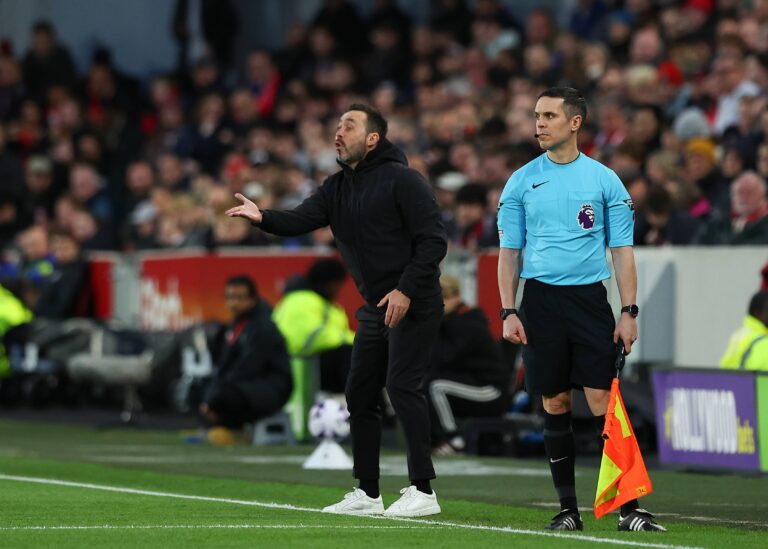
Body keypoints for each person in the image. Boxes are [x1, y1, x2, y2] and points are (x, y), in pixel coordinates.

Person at [226, 103, 447, 517]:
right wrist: (262, 218)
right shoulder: (337, 186)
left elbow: (434, 241)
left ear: (372, 138)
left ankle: (423, 491)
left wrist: (405, 290)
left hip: (413, 301)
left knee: (402, 387)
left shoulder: (404, 180)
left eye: (349, 126)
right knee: (359, 393)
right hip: (373, 307)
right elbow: (300, 219)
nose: (338, 133)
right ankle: (367, 492)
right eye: (337, 126)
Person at [496, 87, 665, 532]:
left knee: (602, 400)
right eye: (536, 115)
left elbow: (622, 251)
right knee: (553, 400)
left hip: (590, 300)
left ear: (575, 123)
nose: (539, 123)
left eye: (549, 115)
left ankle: (629, 508)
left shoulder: (604, 180)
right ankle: (568, 509)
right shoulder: (520, 181)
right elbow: (509, 253)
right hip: (540, 302)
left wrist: (629, 311)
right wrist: (508, 311)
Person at [197, 275, 293, 442]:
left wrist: (213, 398)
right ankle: (224, 427)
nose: (234, 303)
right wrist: (210, 395)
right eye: (230, 298)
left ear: (253, 299)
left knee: (223, 394)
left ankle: (234, 429)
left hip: (272, 388)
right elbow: (225, 364)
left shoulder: (263, 327)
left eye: (240, 298)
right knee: (197, 387)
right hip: (248, 384)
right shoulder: (236, 325)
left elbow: (249, 367)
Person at [426, 274, 510, 456]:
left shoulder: (467, 322)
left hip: (491, 389)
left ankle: (454, 440)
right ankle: (431, 439)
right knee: (426, 383)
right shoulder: (451, 322)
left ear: (455, 297)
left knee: (436, 386)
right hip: (470, 383)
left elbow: (445, 358)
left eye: (442, 298)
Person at [273, 257, 355, 394]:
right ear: (330, 282)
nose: (338, 290)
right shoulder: (301, 300)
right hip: (298, 366)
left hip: (309, 364)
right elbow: (306, 338)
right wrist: (357, 341)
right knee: (353, 355)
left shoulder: (319, 303)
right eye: (337, 284)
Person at [720, 290, 768, 370]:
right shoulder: (763, 340)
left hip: (730, 381)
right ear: (758, 312)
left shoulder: (740, 334)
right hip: (753, 381)